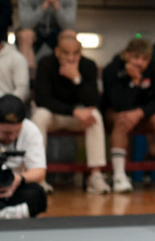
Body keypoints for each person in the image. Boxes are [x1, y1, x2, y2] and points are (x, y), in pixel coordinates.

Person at [31, 33, 110, 194]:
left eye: (75, 53)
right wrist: (73, 111)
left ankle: (95, 175)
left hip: (77, 117)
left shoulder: (88, 65)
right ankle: (38, 176)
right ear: (57, 52)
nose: (71, 58)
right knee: (39, 115)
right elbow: (42, 99)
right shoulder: (46, 64)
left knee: (95, 115)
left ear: (80, 53)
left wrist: (76, 78)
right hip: (55, 116)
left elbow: (93, 101)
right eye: (66, 53)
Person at [101, 38, 155, 193]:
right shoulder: (112, 69)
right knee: (121, 119)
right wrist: (134, 82)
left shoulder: (154, 67)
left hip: (142, 115)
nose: (140, 63)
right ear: (127, 55)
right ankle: (119, 176)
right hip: (115, 115)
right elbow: (117, 104)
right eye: (136, 57)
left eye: (145, 59)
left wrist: (139, 113)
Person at [16, 0, 77, 71]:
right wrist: (43, 6)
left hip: (56, 30)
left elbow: (69, 25)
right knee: (25, 35)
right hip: (36, 30)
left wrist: (56, 5)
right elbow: (25, 24)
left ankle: (68, 74)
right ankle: (28, 78)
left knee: (70, 35)